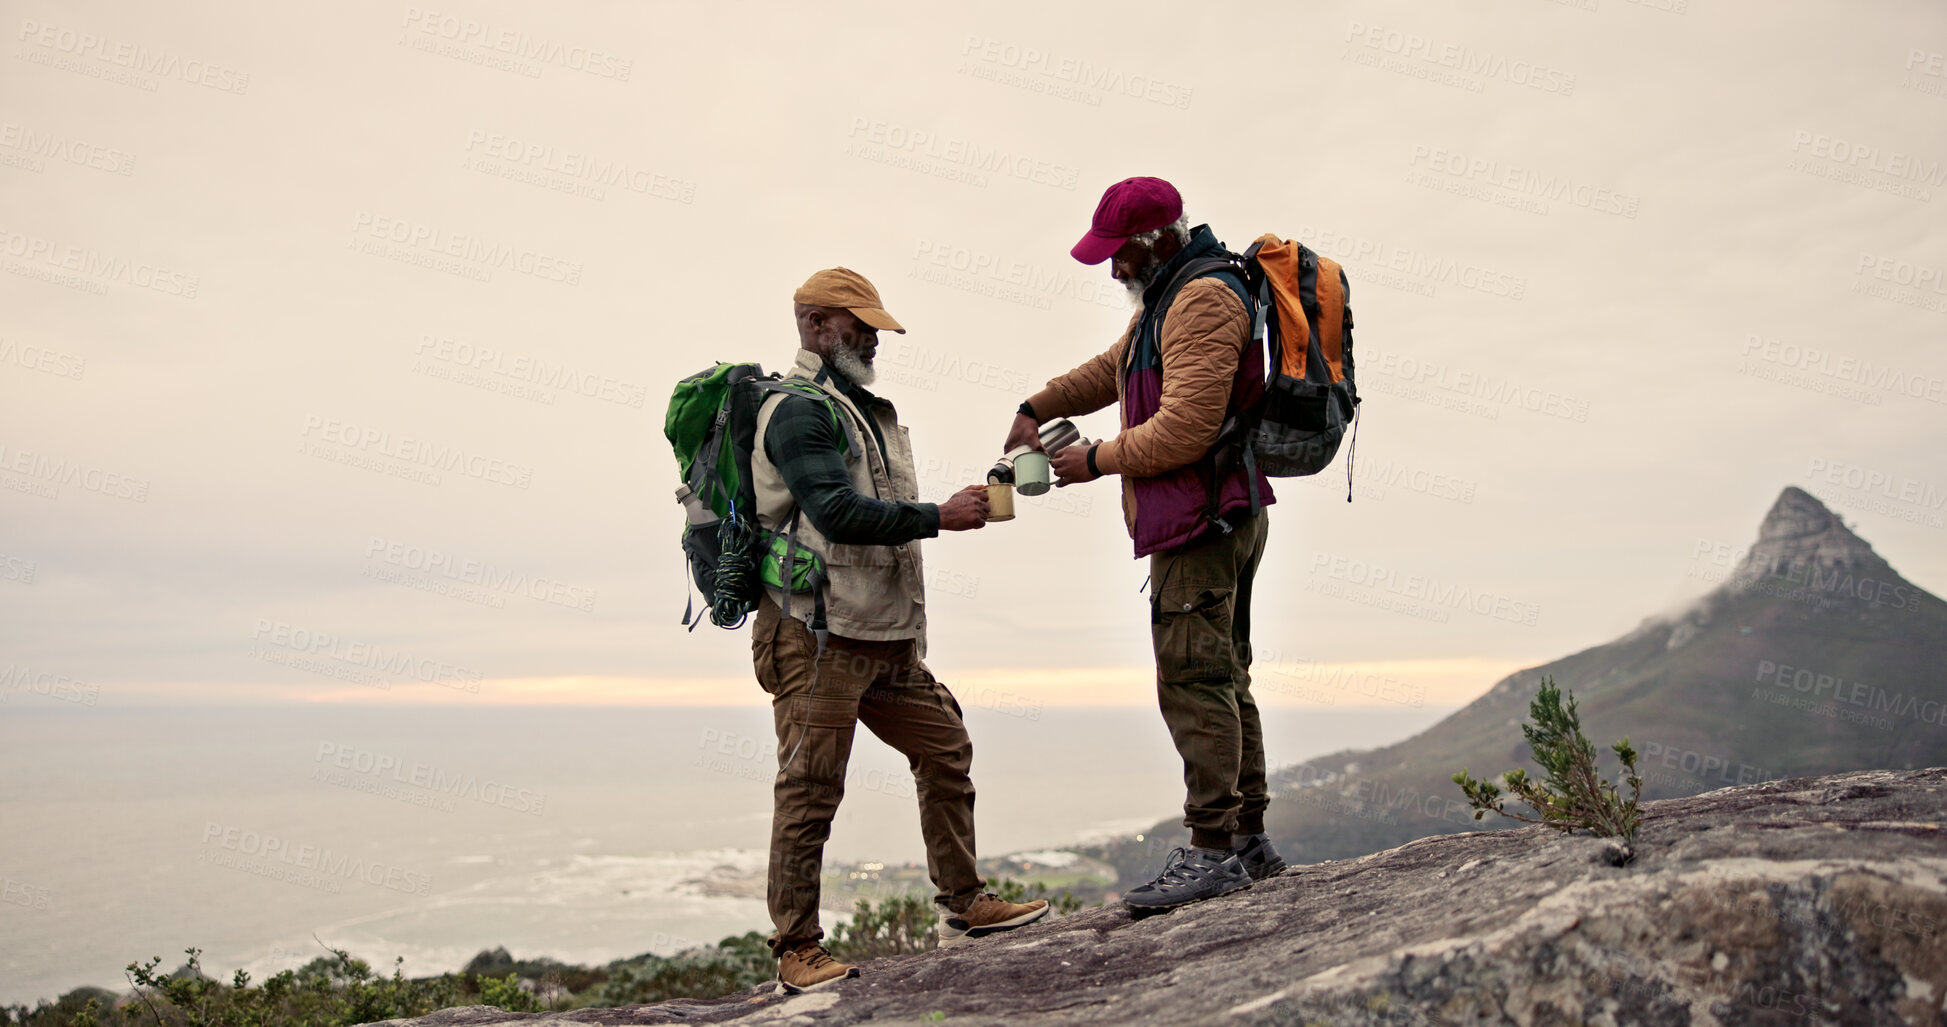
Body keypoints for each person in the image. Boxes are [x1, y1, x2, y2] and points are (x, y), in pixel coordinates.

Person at [751, 267, 1049, 994]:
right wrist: (937, 515)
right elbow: (834, 513)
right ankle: (795, 947)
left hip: (882, 634)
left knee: (944, 745)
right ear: (816, 325)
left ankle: (965, 900)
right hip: (816, 637)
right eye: (857, 326)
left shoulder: (859, 407)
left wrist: (945, 510)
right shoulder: (798, 410)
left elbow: (868, 509)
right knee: (811, 787)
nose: (871, 338)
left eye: (873, 327)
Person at [1003, 178, 1286, 911]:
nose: (1110, 269)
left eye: (1117, 253)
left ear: (1156, 239)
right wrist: (1035, 406)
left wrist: (1093, 459)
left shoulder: (1200, 298)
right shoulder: (1173, 293)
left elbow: (1187, 425)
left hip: (1201, 518)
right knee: (1223, 673)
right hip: (1215, 511)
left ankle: (1212, 851)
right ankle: (1247, 838)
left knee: (1192, 679)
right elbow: (1111, 369)